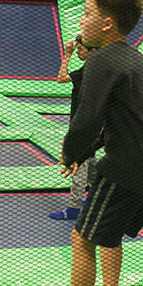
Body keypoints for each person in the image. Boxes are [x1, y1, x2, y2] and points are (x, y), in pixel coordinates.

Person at [42, 0, 143, 286]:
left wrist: (71, 153)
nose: (81, 20)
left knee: (81, 239)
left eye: (86, 14)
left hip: (127, 168)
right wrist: (87, 153)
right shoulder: (135, 59)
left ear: (108, 24)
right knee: (107, 235)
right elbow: (124, 121)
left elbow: (86, 120)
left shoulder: (101, 61)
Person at [49, 34, 97, 221]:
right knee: (90, 160)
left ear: (92, 51)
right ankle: (94, 196)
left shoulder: (88, 71)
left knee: (78, 164)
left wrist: (67, 54)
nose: (77, 51)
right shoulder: (96, 68)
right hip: (92, 123)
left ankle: (74, 208)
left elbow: (61, 78)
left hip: (82, 124)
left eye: (80, 49)